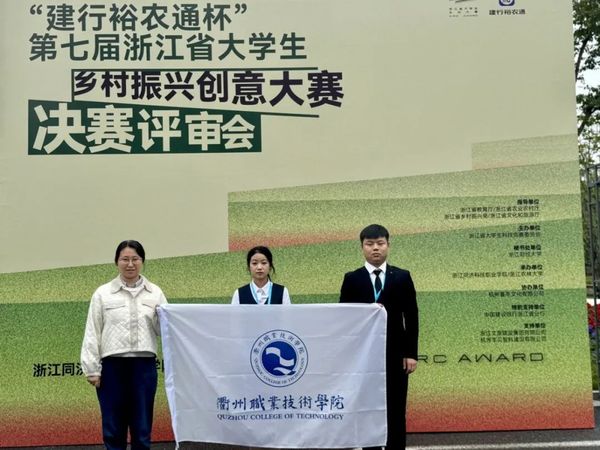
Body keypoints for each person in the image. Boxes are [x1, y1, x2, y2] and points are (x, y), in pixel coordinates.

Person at [81, 240, 168, 450]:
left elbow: (166, 330)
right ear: (116, 262)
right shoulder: (102, 293)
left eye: (135, 259)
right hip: (112, 367)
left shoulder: (155, 293)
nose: (130, 264)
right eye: (125, 259)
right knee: (113, 428)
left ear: (142, 261)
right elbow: (92, 330)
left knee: (142, 428)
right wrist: (92, 369)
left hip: (144, 367)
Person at [339, 224, 419, 450]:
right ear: (362, 247)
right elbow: (344, 318)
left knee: (396, 405)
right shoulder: (352, 278)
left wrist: (411, 354)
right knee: (367, 404)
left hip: (396, 354)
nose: (375, 248)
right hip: (363, 356)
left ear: (388, 245)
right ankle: (370, 447)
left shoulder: (402, 277)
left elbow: (411, 316)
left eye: (380, 243)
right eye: (370, 244)